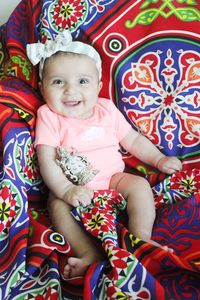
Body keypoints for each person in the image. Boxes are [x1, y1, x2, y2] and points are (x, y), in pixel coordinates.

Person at [26, 31, 182, 279]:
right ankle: (88, 253)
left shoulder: (106, 109)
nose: (70, 90)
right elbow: (46, 161)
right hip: (73, 188)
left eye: (82, 81)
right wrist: (66, 190)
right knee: (55, 206)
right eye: (58, 82)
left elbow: (132, 140)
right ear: (42, 87)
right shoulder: (49, 116)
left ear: (99, 86)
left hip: (113, 180)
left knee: (139, 185)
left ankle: (140, 238)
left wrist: (159, 160)